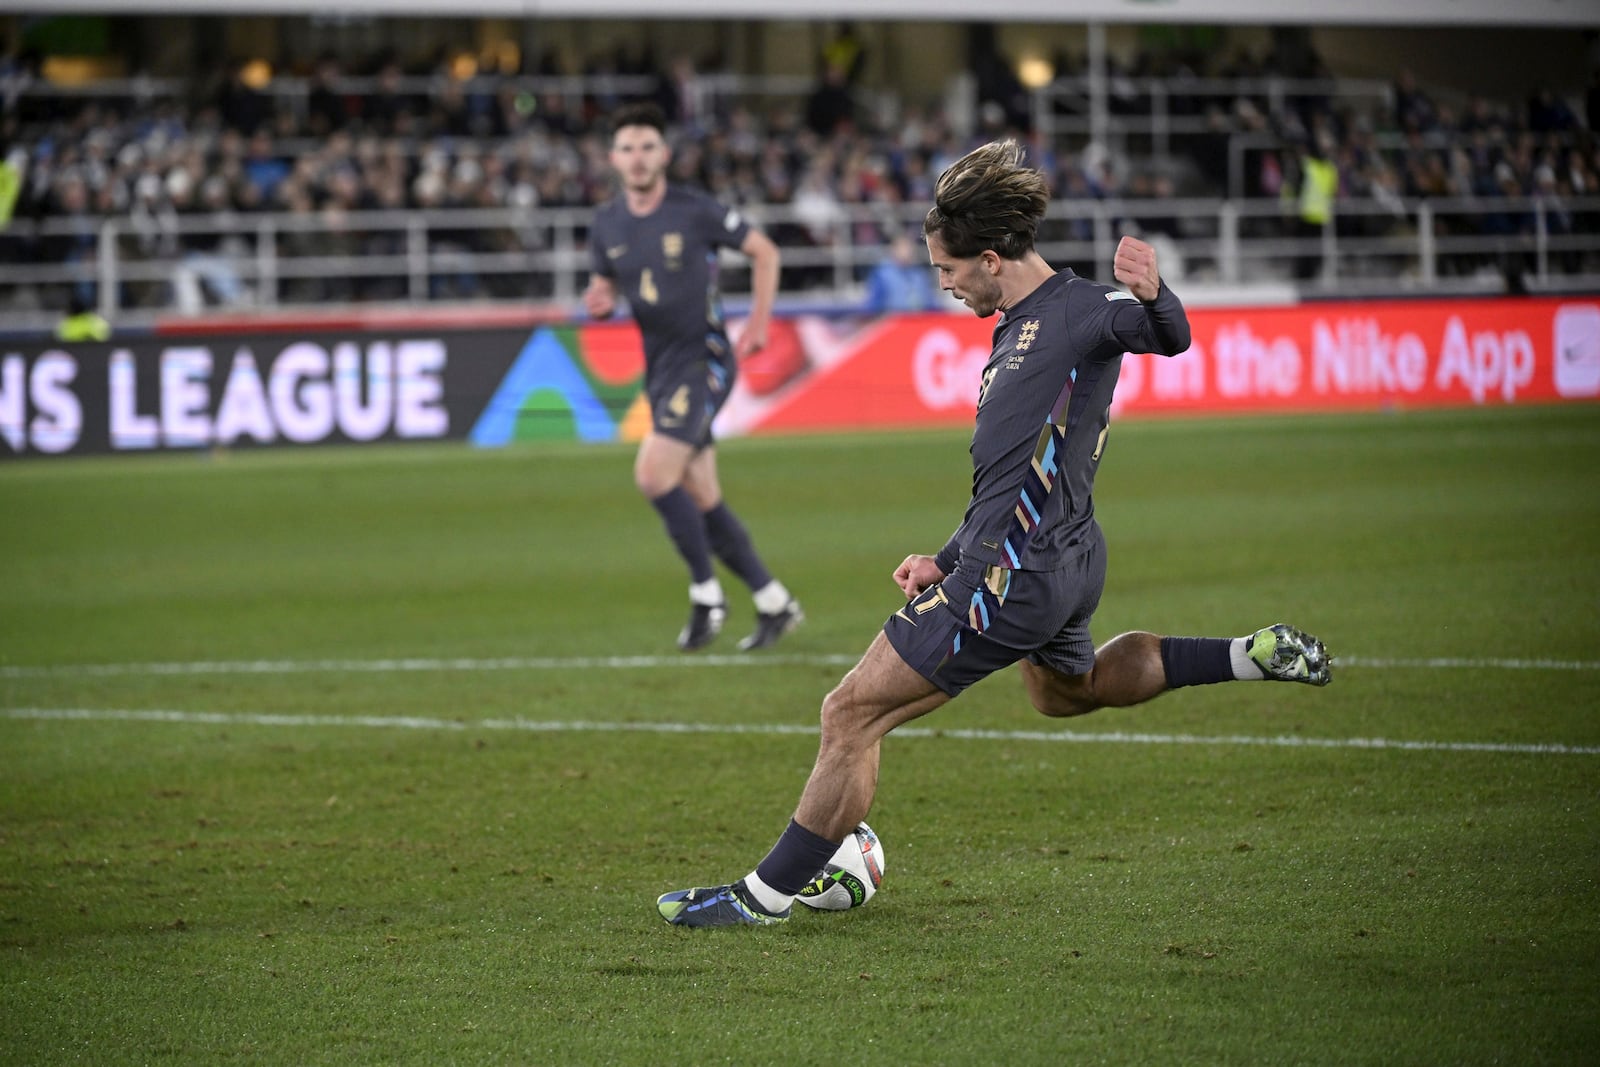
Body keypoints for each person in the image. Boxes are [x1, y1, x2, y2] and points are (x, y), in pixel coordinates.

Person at [657, 140, 1332, 927]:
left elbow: (1169, 336)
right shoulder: (1015, 325)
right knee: (1063, 693)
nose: (942, 284)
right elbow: (1006, 477)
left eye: (947, 270)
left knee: (850, 713)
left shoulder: (1081, 311)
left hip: (1011, 577)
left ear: (988, 258)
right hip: (1065, 562)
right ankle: (1246, 657)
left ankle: (761, 898)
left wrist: (1155, 292)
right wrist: (941, 559)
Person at [583, 102, 802, 653]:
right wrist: (601, 298)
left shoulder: (695, 210)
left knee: (654, 474)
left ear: (665, 154)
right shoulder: (605, 223)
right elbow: (604, 283)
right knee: (701, 493)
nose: (637, 158)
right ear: (614, 158)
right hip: (660, 369)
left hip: (703, 359)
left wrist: (757, 321)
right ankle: (774, 601)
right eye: (628, 148)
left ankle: (707, 595)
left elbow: (764, 250)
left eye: (647, 147)